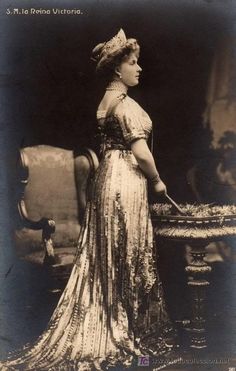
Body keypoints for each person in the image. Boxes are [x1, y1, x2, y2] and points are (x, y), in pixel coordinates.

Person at [0, 29, 179, 370]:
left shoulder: (104, 102)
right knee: (126, 249)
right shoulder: (124, 105)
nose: (139, 68)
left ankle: (116, 316)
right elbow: (140, 152)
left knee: (109, 251)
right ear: (117, 70)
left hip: (106, 178)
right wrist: (157, 181)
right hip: (125, 178)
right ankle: (124, 327)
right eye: (133, 62)